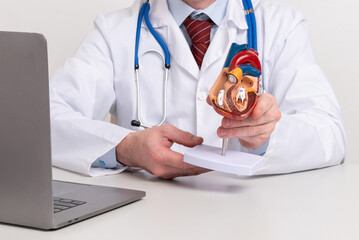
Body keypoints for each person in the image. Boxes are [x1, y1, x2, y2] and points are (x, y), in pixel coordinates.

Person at [50, 0, 346, 179]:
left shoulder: (283, 26)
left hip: (253, 220)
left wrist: (267, 135)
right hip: (147, 221)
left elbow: (330, 134)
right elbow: (44, 120)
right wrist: (126, 148)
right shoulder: (114, 31)